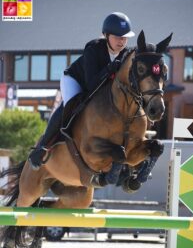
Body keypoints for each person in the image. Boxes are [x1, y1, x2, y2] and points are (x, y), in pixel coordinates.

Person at [28, 12, 162, 189]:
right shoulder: (94, 48)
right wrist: (109, 68)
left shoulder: (128, 54)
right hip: (77, 81)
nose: (121, 41)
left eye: (125, 38)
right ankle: (43, 147)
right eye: (117, 37)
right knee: (71, 105)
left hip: (104, 88)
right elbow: (91, 85)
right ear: (106, 36)